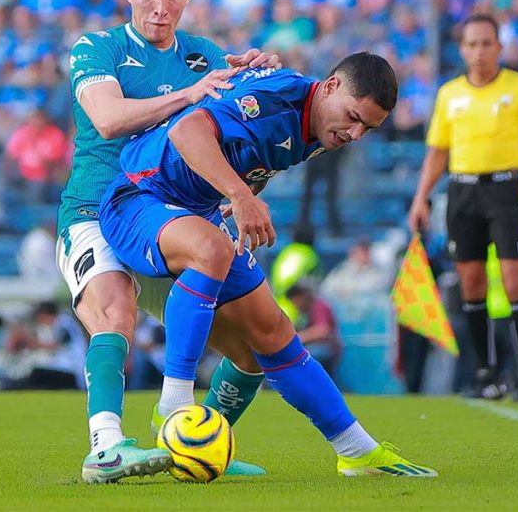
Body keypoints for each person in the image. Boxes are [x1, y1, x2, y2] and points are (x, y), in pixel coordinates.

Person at [99, 53, 436, 478]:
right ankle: (175, 406)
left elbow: (254, 155)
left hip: (194, 211)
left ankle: (354, 451)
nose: (354, 133)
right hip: (138, 195)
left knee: (271, 335)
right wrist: (241, 198)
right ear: (329, 86)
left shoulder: (318, 129)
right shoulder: (277, 97)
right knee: (213, 251)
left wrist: (242, 191)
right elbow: (189, 130)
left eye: (367, 128)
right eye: (353, 117)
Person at [55, 0, 278, 483]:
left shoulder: (203, 55)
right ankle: (105, 449)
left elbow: (239, 124)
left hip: (168, 217)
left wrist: (261, 77)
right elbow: (107, 119)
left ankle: (194, 444)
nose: (160, 8)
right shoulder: (97, 48)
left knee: (253, 347)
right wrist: (190, 94)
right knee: (116, 312)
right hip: (94, 208)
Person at [407, 13, 518, 402]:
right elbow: (437, 152)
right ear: (462, 49)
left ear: (499, 47)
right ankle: (485, 373)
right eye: (472, 44)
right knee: (471, 284)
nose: (479, 51)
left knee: (515, 280)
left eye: (486, 43)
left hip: (505, 190)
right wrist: (420, 197)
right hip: (462, 193)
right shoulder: (449, 94)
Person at [0, 302, 85, 391]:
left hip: (73, 371)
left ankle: (8, 386)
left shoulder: (64, 323)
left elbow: (54, 345)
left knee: (36, 375)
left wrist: (30, 342)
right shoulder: (61, 324)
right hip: (68, 369)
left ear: (45, 315)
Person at [286, 283, 343, 378]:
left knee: (302, 358)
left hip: (327, 348)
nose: (294, 304)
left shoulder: (318, 306)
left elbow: (323, 330)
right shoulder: (303, 313)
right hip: (315, 347)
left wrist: (298, 338)